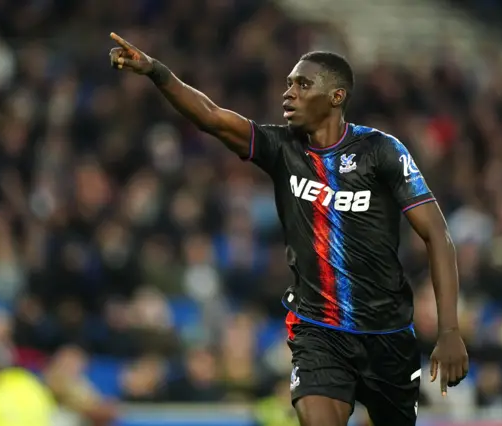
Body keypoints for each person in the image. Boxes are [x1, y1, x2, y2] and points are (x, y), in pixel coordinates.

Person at [108, 32, 469, 426]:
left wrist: (448, 330)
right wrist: (158, 72)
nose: (289, 93)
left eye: (302, 84)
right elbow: (210, 116)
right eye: (288, 84)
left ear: (336, 96)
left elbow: (437, 235)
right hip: (318, 332)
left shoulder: (381, 152)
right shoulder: (281, 148)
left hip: (387, 334)